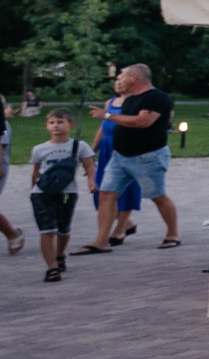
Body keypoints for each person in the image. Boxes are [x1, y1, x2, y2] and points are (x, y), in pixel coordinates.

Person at [81, 64, 179, 250]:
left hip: (147, 157)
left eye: (123, 76)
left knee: (158, 196)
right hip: (120, 157)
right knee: (106, 194)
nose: (119, 80)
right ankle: (101, 241)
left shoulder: (156, 97)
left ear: (134, 78)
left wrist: (107, 115)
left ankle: (173, 233)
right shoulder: (129, 100)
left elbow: (143, 121)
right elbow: (123, 123)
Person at [26, 109, 93, 281]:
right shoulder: (39, 149)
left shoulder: (79, 146)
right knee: (47, 230)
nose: (56, 126)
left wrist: (92, 181)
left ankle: (59, 254)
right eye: (52, 123)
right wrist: (33, 190)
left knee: (63, 229)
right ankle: (52, 267)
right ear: (47, 126)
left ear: (71, 124)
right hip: (42, 193)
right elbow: (35, 172)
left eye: (60, 122)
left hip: (66, 194)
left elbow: (89, 165)